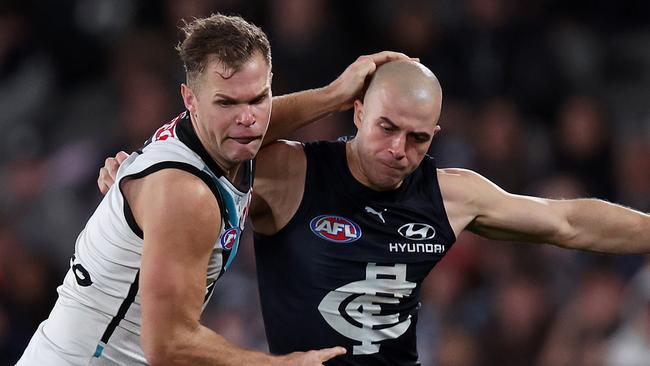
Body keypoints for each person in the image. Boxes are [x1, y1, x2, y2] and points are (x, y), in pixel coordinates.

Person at [100, 62, 650, 365]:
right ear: (357, 111)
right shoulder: (288, 175)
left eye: (417, 138)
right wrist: (143, 177)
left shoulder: (451, 195)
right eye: (386, 127)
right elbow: (207, 144)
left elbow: (568, 221)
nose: (397, 150)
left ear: (434, 136)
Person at [17, 13, 411, 366]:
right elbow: (168, 344)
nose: (247, 118)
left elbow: (261, 121)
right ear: (191, 100)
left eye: (259, 98)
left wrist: (335, 95)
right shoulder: (185, 195)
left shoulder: (214, 137)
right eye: (227, 103)